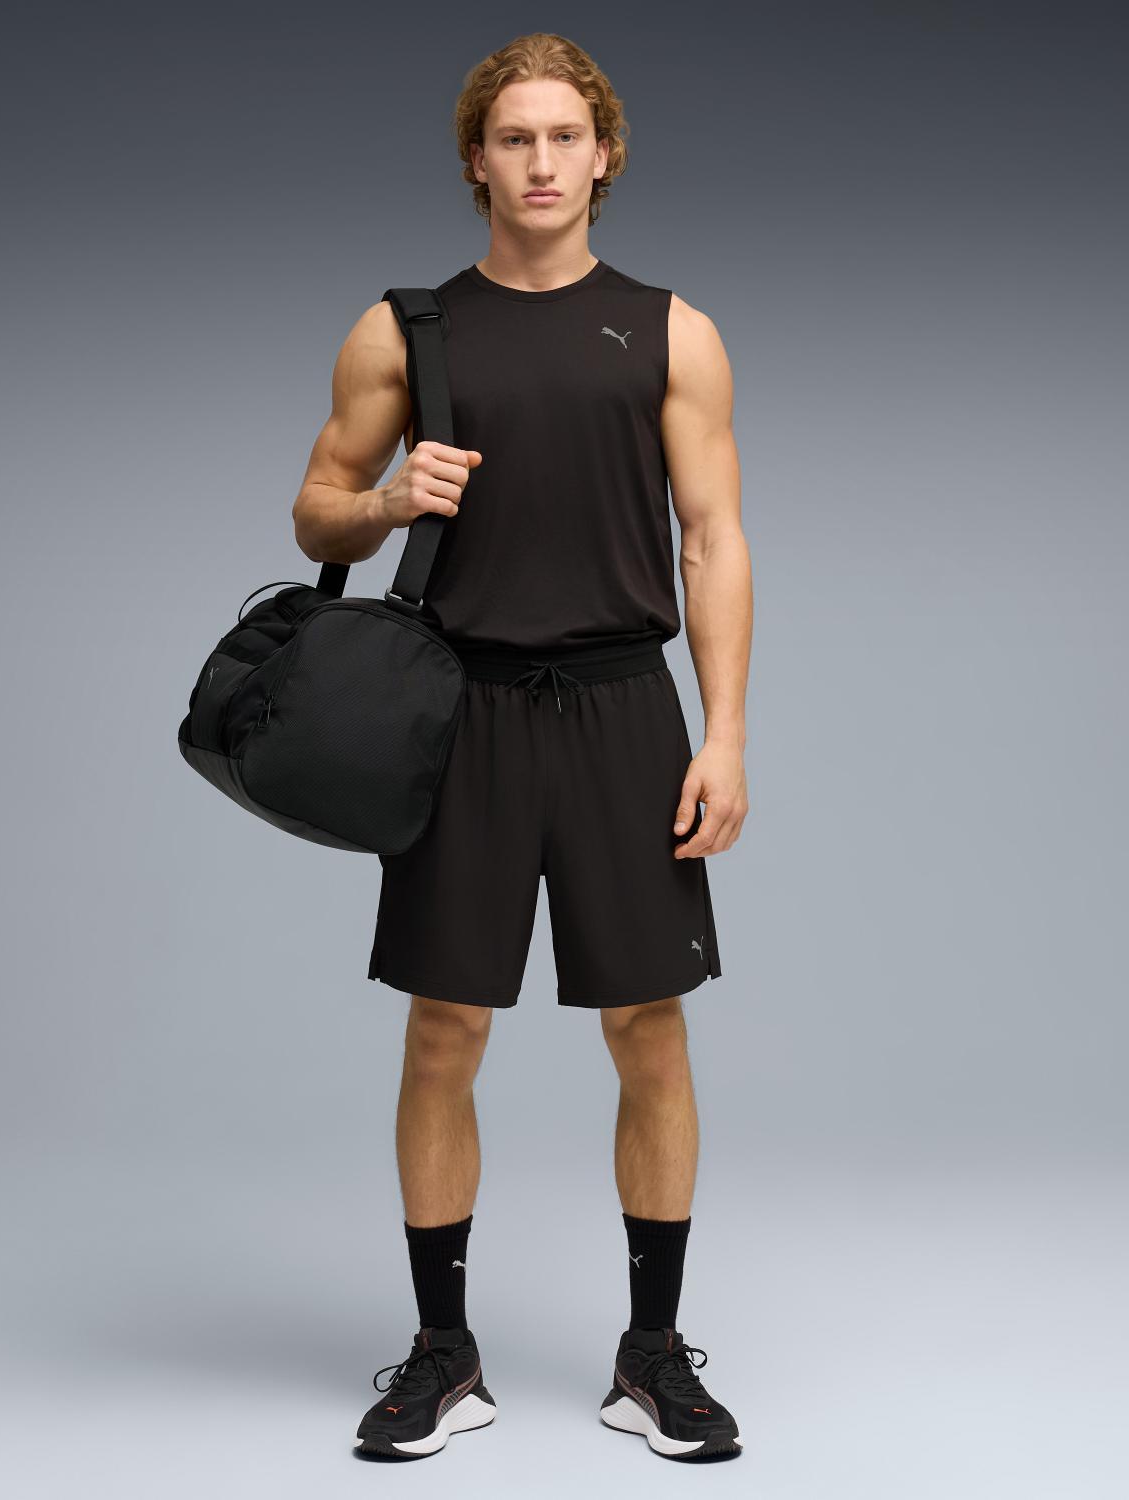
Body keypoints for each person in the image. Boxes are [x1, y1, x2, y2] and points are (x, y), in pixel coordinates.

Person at [292, 32, 752, 1463]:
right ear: (475, 161)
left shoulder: (674, 331)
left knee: (649, 1030)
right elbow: (315, 505)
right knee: (444, 1031)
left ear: (602, 156)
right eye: (513, 139)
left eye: (564, 137)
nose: (540, 162)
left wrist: (727, 734)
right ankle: (443, 1354)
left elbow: (714, 539)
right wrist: (387, 503)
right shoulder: (406, 330)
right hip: (465, 713)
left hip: (624, 711)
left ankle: (652, 1355)